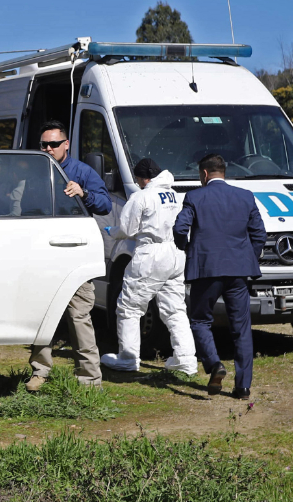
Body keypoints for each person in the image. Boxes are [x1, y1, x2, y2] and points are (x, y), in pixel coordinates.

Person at [27, 120, 112, 391]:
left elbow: (105, 205)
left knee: (79, 316)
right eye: (44, 145)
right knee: (42, 314)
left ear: (66, 144)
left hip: (76, 255)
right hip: (44, 253)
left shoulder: (83, 171)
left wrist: (83, 193)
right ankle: (40, 372)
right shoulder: (36, 172)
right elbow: (26, 209)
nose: (48, 149)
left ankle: (90, 380)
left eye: (53, 144)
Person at [173, 154, 266, 400]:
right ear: (223, 172)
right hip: (238, 271)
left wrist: (187, 248)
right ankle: (243, 387)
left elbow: (180, 228)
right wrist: (247, 257)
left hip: (206, 269)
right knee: (241, 328)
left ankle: (214, 364)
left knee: (200, 320)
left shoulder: (194, 197)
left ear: (204, 174)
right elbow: (259, 234)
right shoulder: (245, 196)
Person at [100, 158, 196, 375]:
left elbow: (127, 229)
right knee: (175, 309)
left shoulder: (141, 196)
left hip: (151, 254)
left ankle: (128, 358)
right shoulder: (174, 195)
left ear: (142, 178)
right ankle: (186, 360)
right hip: (175, 253)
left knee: (129, 308)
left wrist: (111, 232)